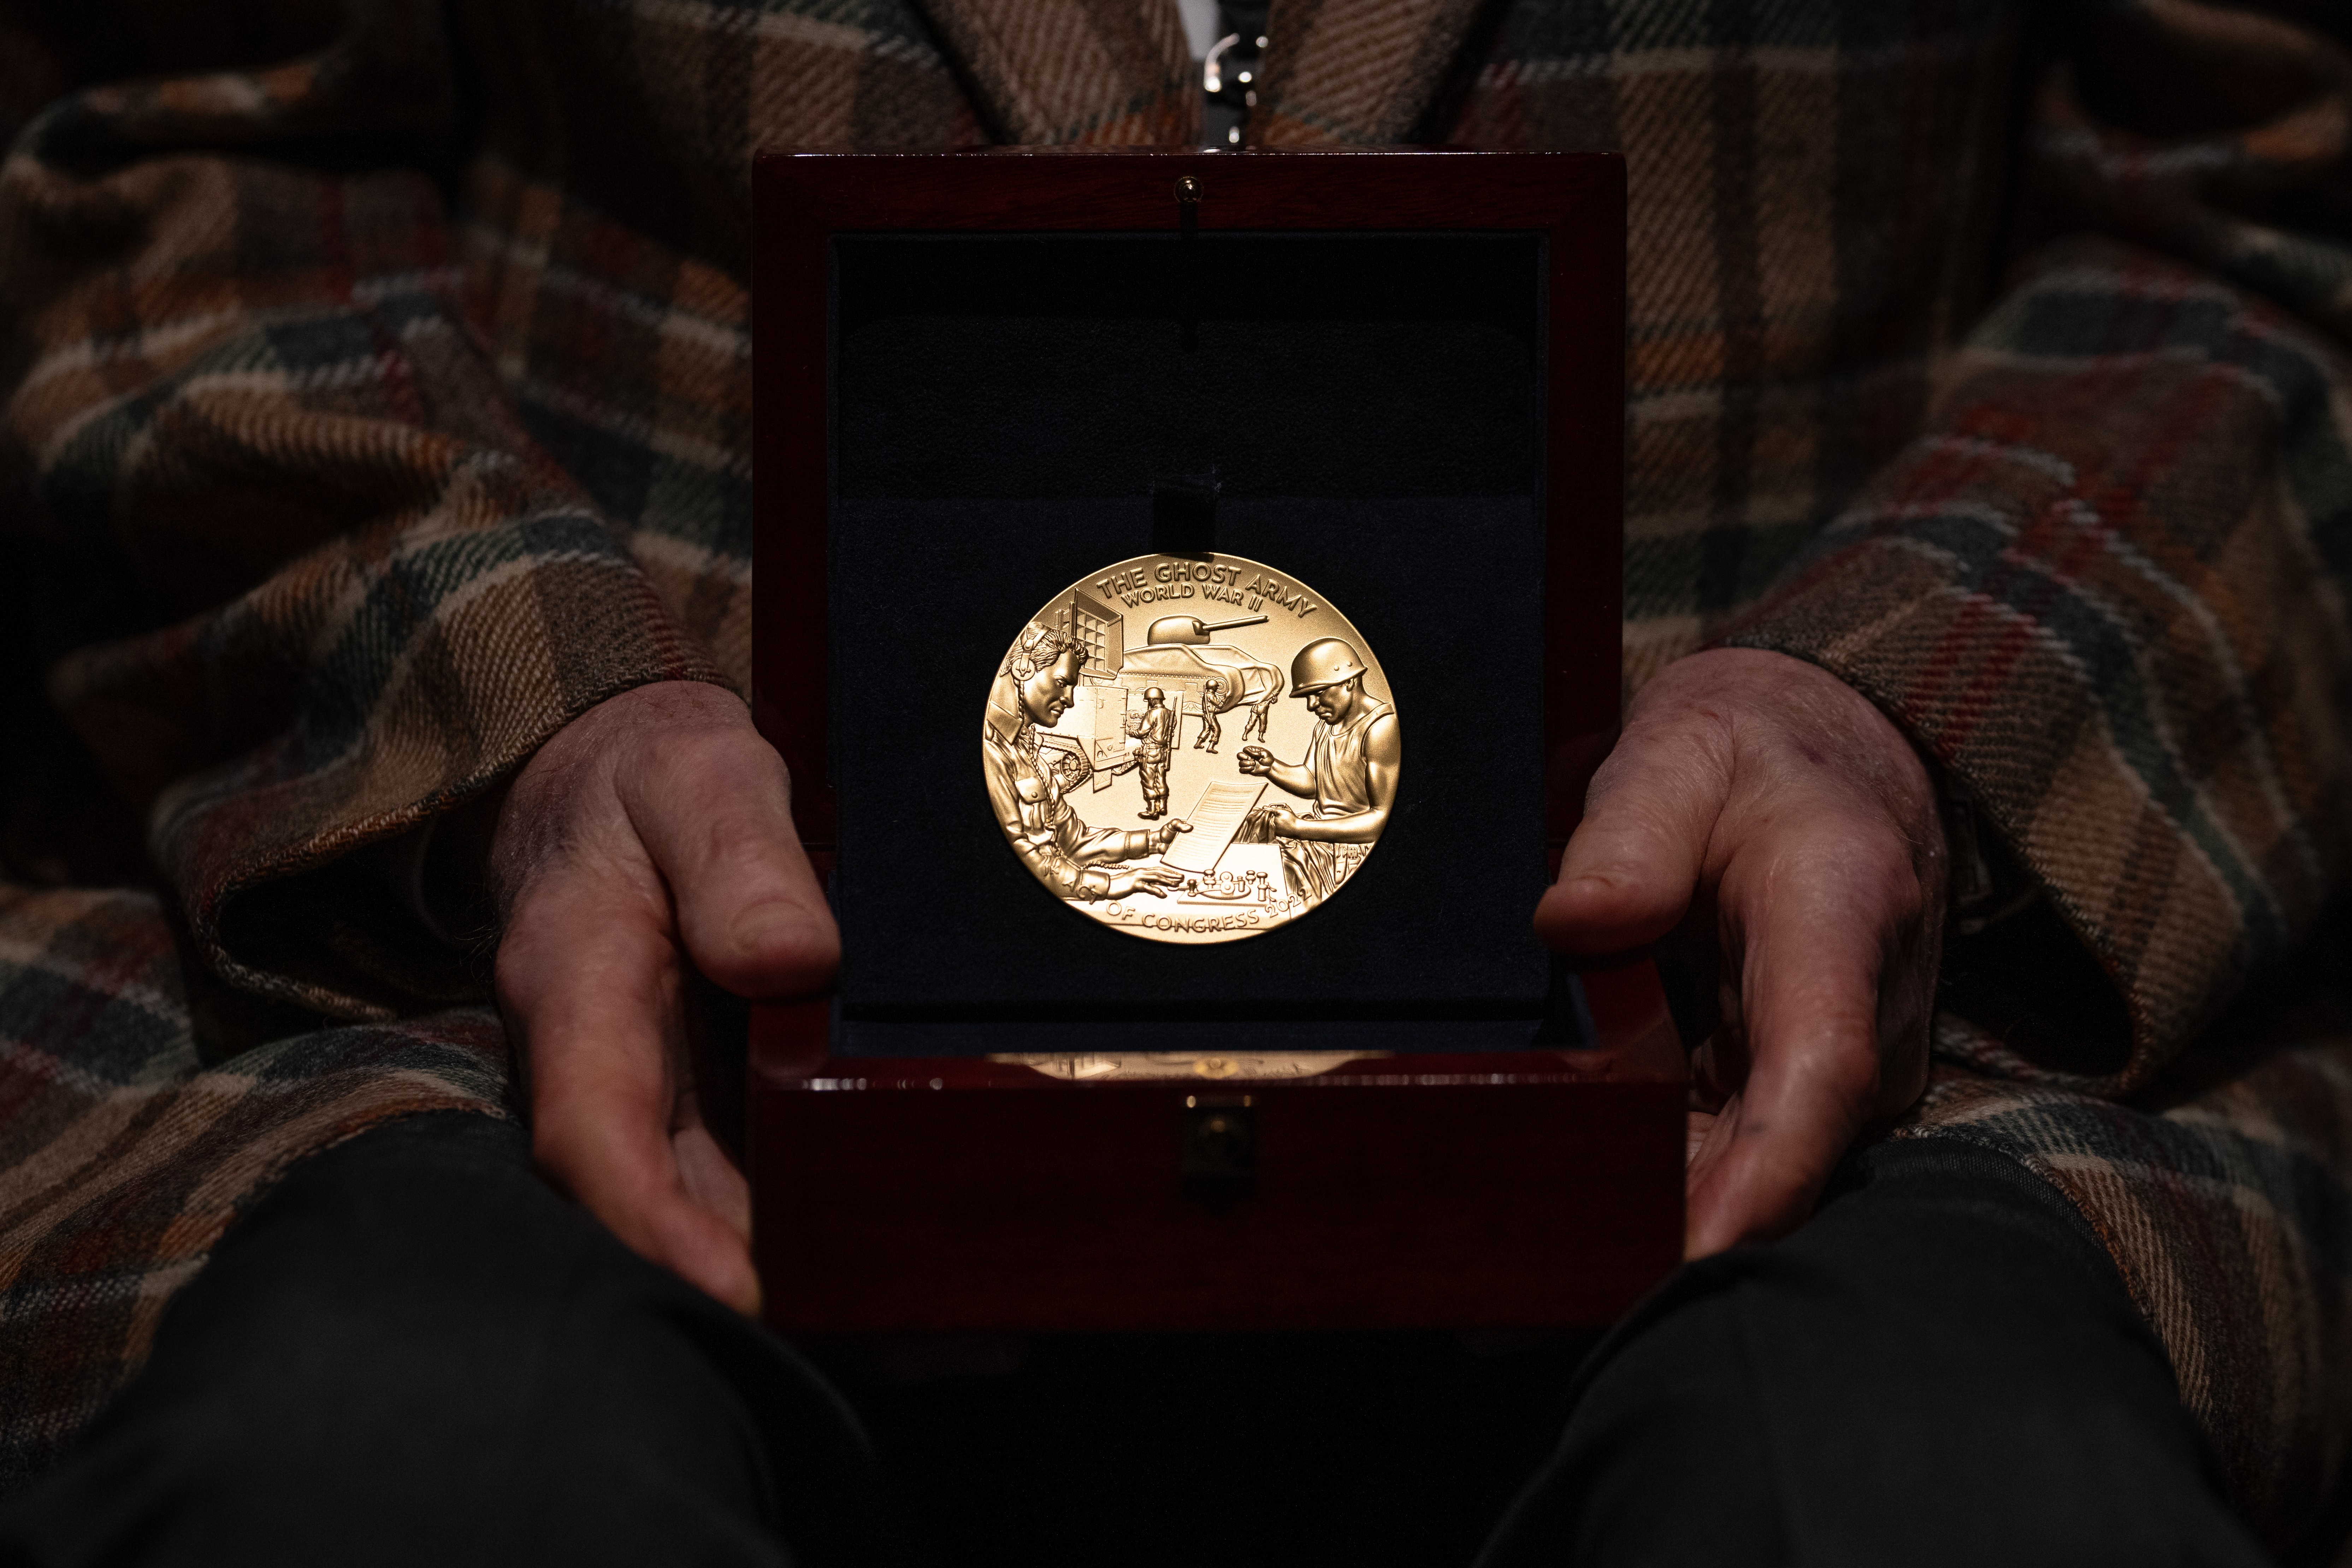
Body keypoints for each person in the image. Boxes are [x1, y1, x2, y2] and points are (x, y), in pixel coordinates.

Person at [0, 2, 2347, 1563]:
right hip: (523, 916)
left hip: (1800, 983)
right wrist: (504, 703)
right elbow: (190, 144)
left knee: (1919, 1504)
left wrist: (1899, 714)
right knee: (409, 1473)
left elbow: (2258, 203)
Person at [985, 627, 1190, 903]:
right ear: (1023, 669)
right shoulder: (989, 750)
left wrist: (1153, 841)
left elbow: (1073, 840)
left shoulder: (1027, 753)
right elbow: (1022, 852)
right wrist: (1111, 884)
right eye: (1062, 683)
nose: (1070, 700)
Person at [1234, 639, 1400, 907]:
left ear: (1349, 682)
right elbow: (1313, 782)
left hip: (1349, 850)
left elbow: (1380, 820)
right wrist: (1271, 768)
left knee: (1271, 875)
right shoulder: (1325, 726)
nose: (1312, 705)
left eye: (1319, 692)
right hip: (1317, 834)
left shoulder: (1380, 728)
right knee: (1249, 824)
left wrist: (1301, 828)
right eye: (1307, 696)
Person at [1131, 686, 1176, 819]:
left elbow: (1141, 733)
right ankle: (1163, 806)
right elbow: (1171, 729)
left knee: (1148, 781)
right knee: (1161, 779)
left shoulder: (1151, 714)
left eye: (1149, 700)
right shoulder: (1170, 713)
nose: (1148, 703)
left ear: (1152, 700)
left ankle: (1152, 810)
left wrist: (1131, 731)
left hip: (1150, 752)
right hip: (1163, 752)